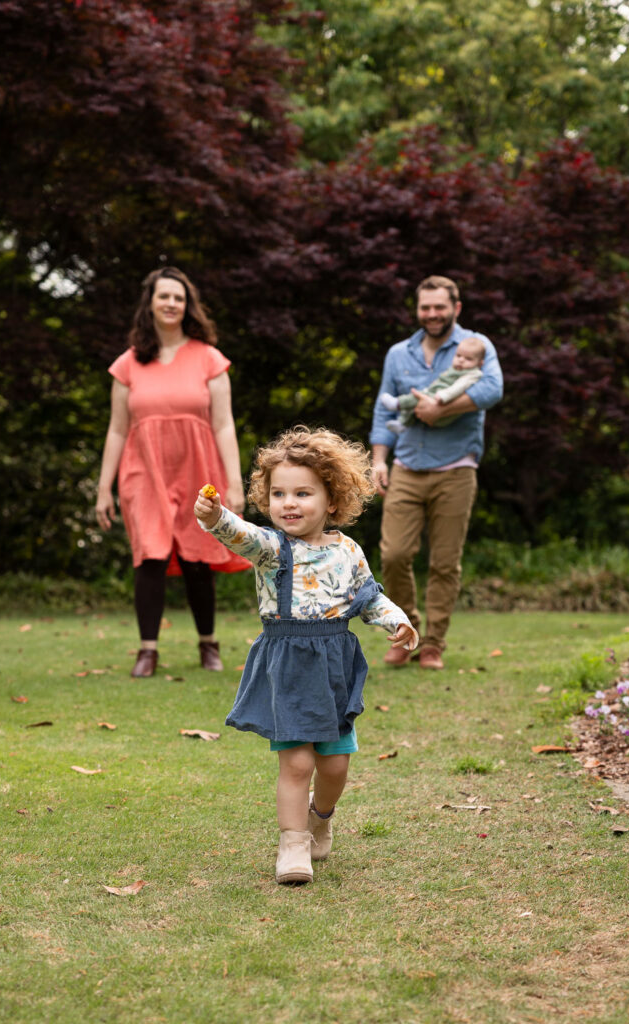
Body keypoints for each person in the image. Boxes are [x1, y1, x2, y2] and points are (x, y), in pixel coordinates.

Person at [194, 427, 418, 885]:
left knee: (335, 766)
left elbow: (369, 597)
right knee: (296, 762)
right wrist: (216, 516)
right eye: (278, 494)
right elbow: (240, 534)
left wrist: (397, 621)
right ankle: (292, 844)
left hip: (335, 666)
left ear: (332, 500)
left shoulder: (347, 551)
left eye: (302, 493)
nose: (288, 504)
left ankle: (321, 816)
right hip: (289, 665)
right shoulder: (272, 549)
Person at [95, 266, 250, 678]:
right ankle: (147, 650)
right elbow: (116, 429)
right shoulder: (128, 364)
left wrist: (234, 483)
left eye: (178, 297)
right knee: (150, 555)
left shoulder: (209, 358)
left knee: (198, 556)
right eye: (164, 296)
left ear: (187, 306)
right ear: (150, 303)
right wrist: (103, 488)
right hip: (143, 472)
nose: (171, 303)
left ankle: (208, 643)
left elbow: (224, 425)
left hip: (198, 469)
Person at [370, 275, 503, 671]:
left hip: (456, 468)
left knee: (445, 563)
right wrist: (379, 459)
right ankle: (407, 633)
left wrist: (442, 408)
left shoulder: (475, 345)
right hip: (406, 466)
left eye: (439, 307)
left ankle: (433, 645)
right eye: (425, 307)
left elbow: (492, 389)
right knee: (394, 555)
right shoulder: (399, 354)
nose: (432, 314)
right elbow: (382, 410)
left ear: (455, 308)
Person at [380, 335, 485, 434]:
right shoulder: (456, 369)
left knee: (415, 399)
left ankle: (397, 403)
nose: (461, 360)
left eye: (468, 359)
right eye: (458, 356)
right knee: (415, 404)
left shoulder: (473, 373)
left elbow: (459, 386)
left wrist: (444, 396)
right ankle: (403, 423)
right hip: (435, 396)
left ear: (480, 363)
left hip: (443, 401)